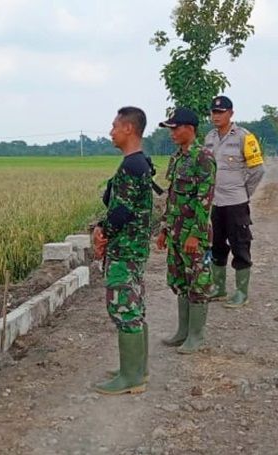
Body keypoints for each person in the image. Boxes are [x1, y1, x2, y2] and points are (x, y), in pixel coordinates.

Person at [92, 106, 153, 394]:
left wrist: (102, 234)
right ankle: (137, 368)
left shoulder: (131, 166)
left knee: (124, 307)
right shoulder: (139, 163)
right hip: (134, 248)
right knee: (135, 306)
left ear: (129, 128)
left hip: (125, 249)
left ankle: (131, 378)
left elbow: (120, 212)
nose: (111, 131)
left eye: (115, 125)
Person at [156, 107, 216, 354]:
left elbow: (205, 199)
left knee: (198, 283)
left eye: (175, 128)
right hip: (175, 232)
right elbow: (172, 198)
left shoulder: (203, 157)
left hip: (193, 234)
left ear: (189, 129)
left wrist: (195, 234)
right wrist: (163, 229)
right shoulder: (177, 158)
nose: (171, 133)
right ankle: (183, 331)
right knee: (180, 281)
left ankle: (196, 336)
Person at [204, 96, 265, 308]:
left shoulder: (244, 137)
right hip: (216, 202)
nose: (216, 116)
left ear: (231, 113)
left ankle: (241, 293)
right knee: (217, 245)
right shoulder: (209, 138)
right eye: (213, 112)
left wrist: (243, 192)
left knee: (240, 244)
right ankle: (219, 288)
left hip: (236, 202)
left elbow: (258, 170)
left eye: (220, 112)